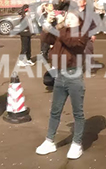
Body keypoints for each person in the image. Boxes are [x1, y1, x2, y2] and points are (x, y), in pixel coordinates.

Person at [36, 9, 89, 160]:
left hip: (74, 75)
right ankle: (49, 141)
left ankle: (77, 143)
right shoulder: (62, 31)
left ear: (79, 21)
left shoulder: (82, 33)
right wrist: (48, 25)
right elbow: (46, 38)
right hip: (59, 74)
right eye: (67, 17)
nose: (69, 20)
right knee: (55, 110)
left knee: (78, 112)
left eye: (73, 18)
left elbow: (73, 44)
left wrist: (59, 29)